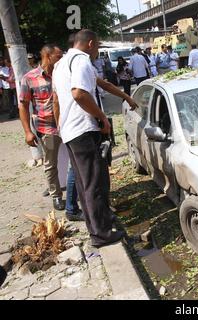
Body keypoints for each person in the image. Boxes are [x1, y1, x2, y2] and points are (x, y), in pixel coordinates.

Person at [52, 29, 125, 247]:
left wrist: (60, 126)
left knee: (86, 184)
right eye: (99, 45)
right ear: (91, 43)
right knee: (94, 182)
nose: (98, 50)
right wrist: (101, 117)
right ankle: (101, 235)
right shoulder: (82, 60)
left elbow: (56, 99)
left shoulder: (61, 64)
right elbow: (79, 93)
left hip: (70, 131)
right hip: (84, 129)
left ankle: (98, 225)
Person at [18, 44, 65, 211]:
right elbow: (23, 106)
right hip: (47, 129)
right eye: (58, 56)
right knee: (51, 164)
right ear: (47, 56)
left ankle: (77, 192)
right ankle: (56, 196)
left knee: (75, 161)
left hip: (68, 125)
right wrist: (27, 132)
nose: (62, 59)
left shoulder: (63, 74)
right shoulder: (29, 78)